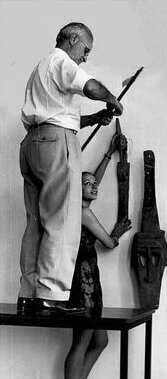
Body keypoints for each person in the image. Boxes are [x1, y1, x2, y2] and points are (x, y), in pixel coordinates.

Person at [18, 22, 123, 313]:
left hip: (33, 143)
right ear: (73, 39)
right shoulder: (61, 61)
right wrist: (112, 99)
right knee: (62, 218)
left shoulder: (41, 68)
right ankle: (51, 294)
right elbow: (90, 86)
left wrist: (91, 119)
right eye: (85, 50)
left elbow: (56, 114)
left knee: (35, 222)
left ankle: (28, 293)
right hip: (56, 143)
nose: (85, 57)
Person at [64, 131, 131, 379]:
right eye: (88, 185)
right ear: (77, 190)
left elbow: (92, 181)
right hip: (84, 284)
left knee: (100, 340)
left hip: (88, 279)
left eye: (95, 184)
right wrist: (118, 232)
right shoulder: (85, 214)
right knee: (81, 342)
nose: (94, 187)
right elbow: (109, 243)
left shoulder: (78, 207)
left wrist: (108, 154)